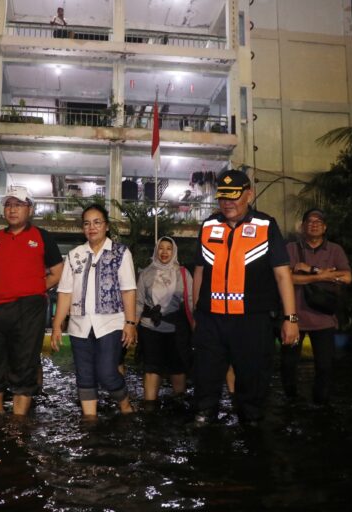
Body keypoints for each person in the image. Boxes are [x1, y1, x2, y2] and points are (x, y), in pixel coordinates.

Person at [192, 170, 299, 425]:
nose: (227, 203)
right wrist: (197, 313)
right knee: (205, 376)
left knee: (253, 379)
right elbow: (199, 272)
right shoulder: (209, 226)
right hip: (211, 319)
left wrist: (290, 318)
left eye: (233, 196)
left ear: (249, 194)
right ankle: (204, 419)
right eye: (223, 197)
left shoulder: (266, 225)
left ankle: (251, 425)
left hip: (252, 320)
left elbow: (282, 274)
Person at [0, 186, 64, 416]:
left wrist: (34, 288)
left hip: (28, 309)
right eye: (8, 205)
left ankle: (18, 421)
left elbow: (57, 272)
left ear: (30, 209)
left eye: (18, 205)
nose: (12, 209)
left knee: (24, 366)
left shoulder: (42, 236)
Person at [51, 203, 136, 418]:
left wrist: (130, 323)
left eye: (97, 222)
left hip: (111, 323)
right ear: (83, 228)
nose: (92, 227)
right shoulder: (74, 255)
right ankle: (90, 421)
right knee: (84, 376)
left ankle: (125, 404)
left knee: (107, 373)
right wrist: (57, 325)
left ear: (106, 226)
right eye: (87, 223)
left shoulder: (120, 253)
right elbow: (65, 293)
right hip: (79, 326)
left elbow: (128, 290)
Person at [281, 208, 352, 405]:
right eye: (310, 221)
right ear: (303, 226)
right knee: (288, 366)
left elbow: (347, 277)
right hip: (294, 318)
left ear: (325, 227)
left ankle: (320, 403)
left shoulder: (335, 250)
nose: (314, 225)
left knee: (325, 366)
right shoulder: (291, 248)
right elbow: (286, 278)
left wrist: (311, 270)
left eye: (318, 222)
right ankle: (291, 401)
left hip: (324, 319)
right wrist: (323, 276)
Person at [135, 236, 194, 406]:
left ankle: (179, 404)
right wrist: (132, 327)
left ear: (174, 252)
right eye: (161, 248)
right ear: (156, 251)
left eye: (169, 248)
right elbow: (138, 303)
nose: (164, 252)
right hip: (149, 329)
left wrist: (196, 326)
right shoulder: (146, 273)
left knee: (178, 368)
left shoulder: (183, 274)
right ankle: (149, 409)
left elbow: (191, 302)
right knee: (151, 369)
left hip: (176, 330)